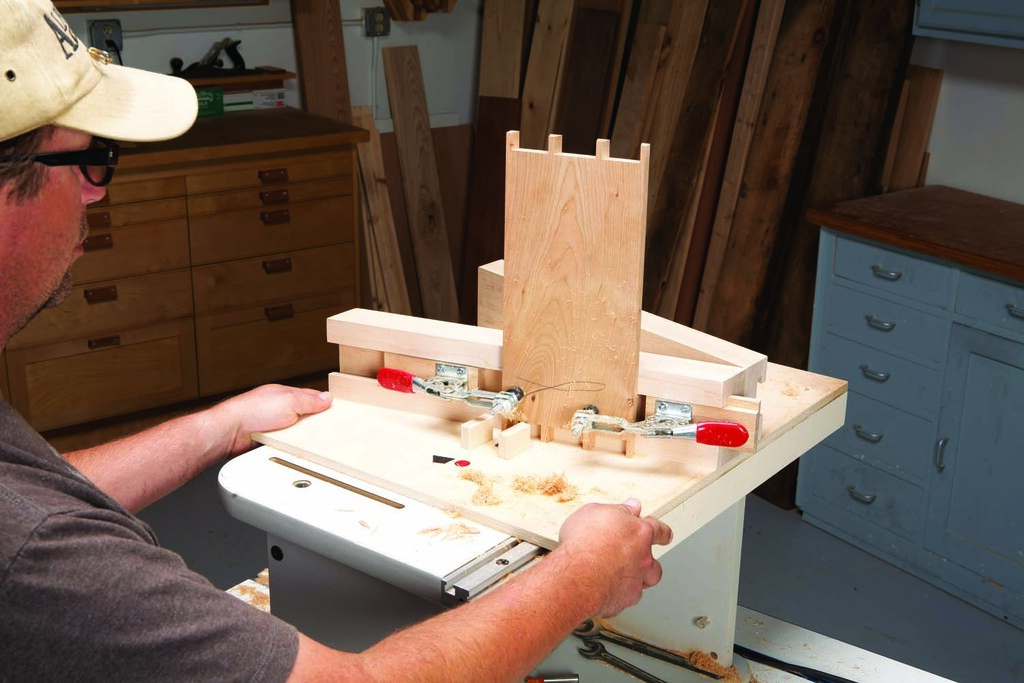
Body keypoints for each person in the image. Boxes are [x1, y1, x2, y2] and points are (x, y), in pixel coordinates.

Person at [0, 1, 674, 681]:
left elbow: (46, 489)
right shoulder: (35, 556)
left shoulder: (27, 517)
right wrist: (583, 574)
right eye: (93, 160)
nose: (96, 195)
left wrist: (219, 424)